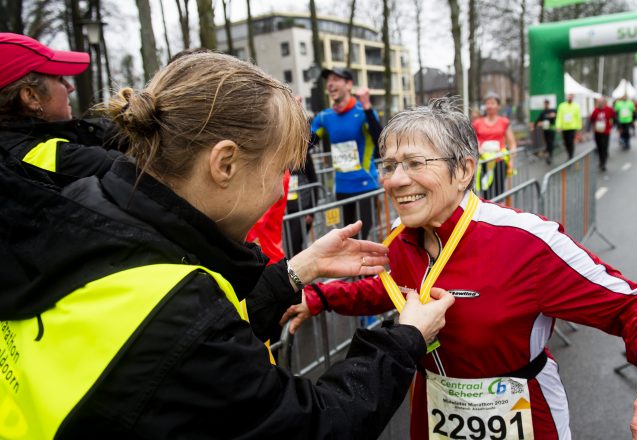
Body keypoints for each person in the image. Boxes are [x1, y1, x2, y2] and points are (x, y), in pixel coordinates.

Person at [0, 52, 455, 438]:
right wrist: (403, 339)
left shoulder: (83, 211)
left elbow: (184, 339)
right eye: (279, 169)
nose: (281, 191)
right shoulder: (177, 315)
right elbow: (311, 424)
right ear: (224, 163)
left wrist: (295, 272)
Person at [282, 97, 637, 440]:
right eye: (389, 166)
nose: (395, 180)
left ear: (463, 169)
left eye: (413, 162)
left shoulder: (526, 241)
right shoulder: (399, 239)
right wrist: (317, 297)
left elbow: (634, 305)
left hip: (524, 417)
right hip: (433, 416)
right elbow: (391, 291)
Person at [0, 32, 120, 182]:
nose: (70, 87)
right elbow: (137, 171)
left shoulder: (16, 143)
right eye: (60, 79)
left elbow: (89, 130)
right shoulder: (47, 159)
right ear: (32, 97)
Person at [311, 67, 382, 240]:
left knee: (364, 236)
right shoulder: (324, 117)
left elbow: (381, 142)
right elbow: (307, 144)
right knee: (349, 239)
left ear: (349, 84)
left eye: (336, 79)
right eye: (328, 81)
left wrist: (367, 107)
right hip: (342, 187)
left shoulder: (363, 112)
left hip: (365, 185)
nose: (330, 84)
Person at [471, 92, 516, 198]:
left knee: (499, 189)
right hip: (484, 161)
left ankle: (497, 210)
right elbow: (473, 140)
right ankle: (487, 211)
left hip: (499, 161)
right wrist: (478, 149)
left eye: (493, 103)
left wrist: (512, 160)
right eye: (487, 103)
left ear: (498, 106)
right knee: (486, 189)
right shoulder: (477, 123)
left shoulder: (504, 122)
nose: (490, 105)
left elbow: (512, 142)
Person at [589, 97, 616, 172]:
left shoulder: (609, 109)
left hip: (606, 131)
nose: (600, 104)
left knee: (604, 147)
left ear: (605, 102)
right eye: (599, 102)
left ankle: (603, 163)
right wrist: (593, 127)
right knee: (599, 147)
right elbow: (592, 119)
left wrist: (612, 125)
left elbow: (614, 117)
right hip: (597, 132)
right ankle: (601, 160)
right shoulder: (596, 110)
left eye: (601, 102)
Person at [555, 93, 581, 160]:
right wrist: (558, 126)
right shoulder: (562, 106)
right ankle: (569, 153)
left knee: (570, 142)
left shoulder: (576, 106)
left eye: (571, 97)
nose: (569, 98)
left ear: (573, 98)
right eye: (568, 97)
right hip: (564, 128)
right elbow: (559, 117)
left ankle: (571, 155)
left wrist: (579, 128)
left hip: (572, 128)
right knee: (566, 142)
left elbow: (578, 117)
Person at [534, 99, 557, 165]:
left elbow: (557, 116)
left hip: (551, 129)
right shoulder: (543, 112)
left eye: (546, 104)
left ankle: (550, 154)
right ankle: (548, 153)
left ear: (548, 104)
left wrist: (553, 116)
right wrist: (535, 126)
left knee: (551, 142)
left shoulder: (553, 110)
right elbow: (538, 119)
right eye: (544, 104)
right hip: (545, 129)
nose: (545, 105)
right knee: (547, 142)